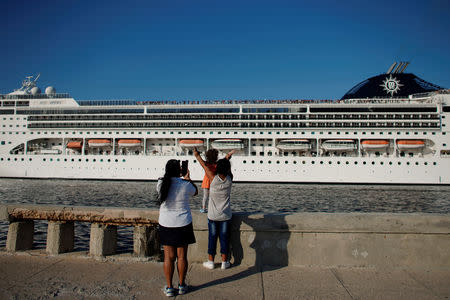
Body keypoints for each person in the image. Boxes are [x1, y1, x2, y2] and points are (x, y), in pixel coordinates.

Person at [157, 159, 198, 297]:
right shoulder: (185, 185)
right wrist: (188, 178)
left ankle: (169, 287)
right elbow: (195, 192)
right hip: (183, 223)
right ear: (179, 170)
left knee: (168, 257)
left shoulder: (161, 183)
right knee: (182, 256)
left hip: (166, 223)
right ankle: (181, 285)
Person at [194, 148, 234, 270]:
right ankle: (224, 262)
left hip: (212, 215)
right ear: (227, 169)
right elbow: (227, 168)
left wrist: (197, 155)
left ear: (217, 169)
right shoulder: (229, 180)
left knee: (212, 237)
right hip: (225, 215)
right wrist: (227, 157)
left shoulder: (213, 180)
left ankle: (211, 262)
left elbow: (204, 166)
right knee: (224, 238)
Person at [200, 149, 218, 213]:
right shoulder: (216, 164)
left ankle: (203, 208)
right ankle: (212, 208)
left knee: (205, 196)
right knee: (212, 196)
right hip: (213, 180)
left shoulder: (206, 164)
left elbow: (201, 161)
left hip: (206, 180)